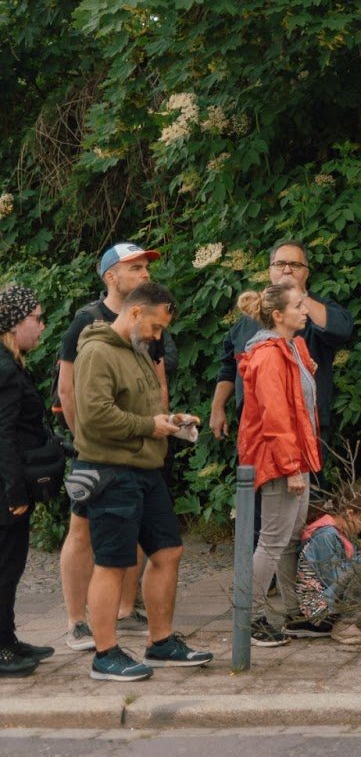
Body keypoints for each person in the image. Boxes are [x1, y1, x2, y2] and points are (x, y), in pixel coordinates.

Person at [72, 282, 212, 680]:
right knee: (113, 563)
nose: (157, 336)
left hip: (146, 471)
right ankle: (105, 654)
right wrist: (149, 426)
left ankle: (161, 642)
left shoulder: (136, 352)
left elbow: (142, 412)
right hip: (111, 473)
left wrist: (172, 422)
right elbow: (96, 416)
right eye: (154, 327)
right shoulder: (97, 352)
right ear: (135, 313)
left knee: (168, 552)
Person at [57, 242, 171, 650]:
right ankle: (76, 622)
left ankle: (126, 608)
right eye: (135, 268)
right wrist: (85, 444)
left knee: (136, 529)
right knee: (82, 532)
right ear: (111, 277)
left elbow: (157, 382)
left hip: (142, 446)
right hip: (96, 453)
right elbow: (68, 390)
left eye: (145, 267)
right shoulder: (87, 322)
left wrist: (165, 425)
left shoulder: (151, 318)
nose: (144, 274)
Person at [235, 285, 322, 647]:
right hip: (278, 461)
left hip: (294, 458)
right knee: (272, 542)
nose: (305, 311)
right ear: (277, 315)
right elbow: (275, 416)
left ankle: (294, 614)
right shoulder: (270, 356)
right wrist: (289, 467)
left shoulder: (292, 348)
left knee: (288, 540)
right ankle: (250, 619)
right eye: (298, 306)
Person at [210, 240, 355, 458]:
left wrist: (299, 297)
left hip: (304, 429)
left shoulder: (314, 309)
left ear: (306, 272)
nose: (287, 269)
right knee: (256, 491)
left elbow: (341, 330)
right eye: (280, 264)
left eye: (295, 265)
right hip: (254, 431)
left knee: (306, 490)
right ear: (270, 271)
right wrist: (217, 407)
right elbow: (229, 366)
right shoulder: (249, 318)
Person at [0, 284, 57, 675]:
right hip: (6, 485)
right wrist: (14, 489)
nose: (42, 326)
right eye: (36, 318)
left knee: (11, 564)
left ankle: (8, 638)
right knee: (5, 566)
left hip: (10, 479)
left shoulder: (11, 361)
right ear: (14, 322)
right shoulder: (4, 368)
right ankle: (2, 649)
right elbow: (1, 433)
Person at [294, 485, 361, 645]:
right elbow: (334, 579)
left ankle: (353, 613)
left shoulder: (340, 532)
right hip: (319, 610)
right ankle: (345, 623)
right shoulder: (325, 536)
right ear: (350, 513)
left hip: (333, 600)